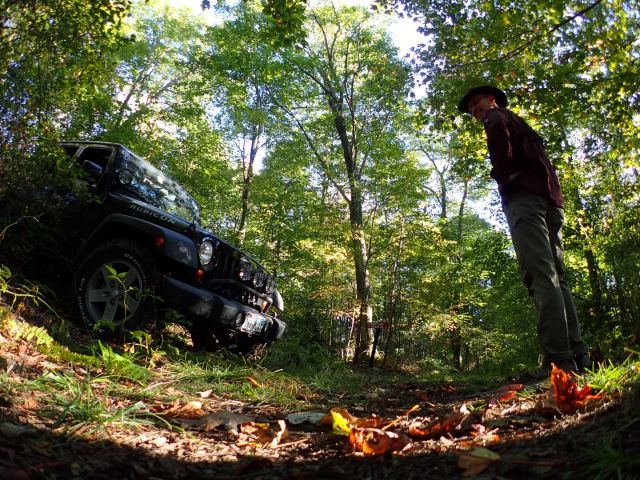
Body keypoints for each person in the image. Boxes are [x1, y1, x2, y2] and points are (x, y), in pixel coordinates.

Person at [457, 85, 590, 374]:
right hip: (552, 202)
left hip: (525, 200)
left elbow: (500, 154)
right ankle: (579, 357)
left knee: (542, 274)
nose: (473, 110)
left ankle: (558, 362)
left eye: (476, 103)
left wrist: (502, 178)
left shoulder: (496, 118)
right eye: (470, 109)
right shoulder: (521, 123)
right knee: (557, 276)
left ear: (491, 100)